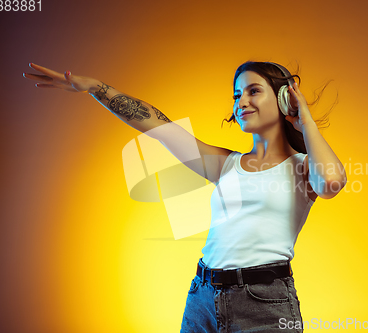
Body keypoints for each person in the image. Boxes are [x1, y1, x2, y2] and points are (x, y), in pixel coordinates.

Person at [23, 61, 347, 332]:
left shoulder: (304, 167)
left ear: (283, 98)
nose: (241, 101)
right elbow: (157, 125)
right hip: (202, 297)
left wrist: (303, 120)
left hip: (264, 302)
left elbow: (331, 182)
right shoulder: (225, 165)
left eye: (254, 91)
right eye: (237, 94)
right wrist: (97, 87)